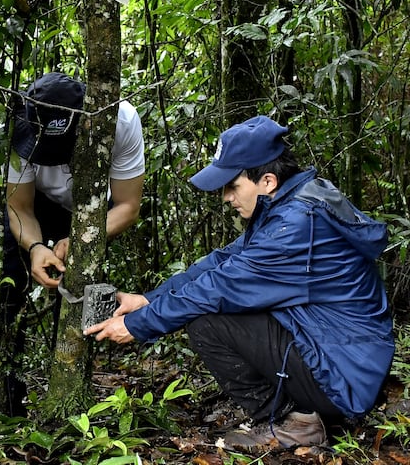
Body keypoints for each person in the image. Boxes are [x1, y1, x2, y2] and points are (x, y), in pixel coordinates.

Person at [85, 115, 394, 450]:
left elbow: (219, 287)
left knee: (206, 320)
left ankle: (295, 422)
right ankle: (303, 412)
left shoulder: (294, 227)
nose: (226, 198)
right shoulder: (290, 207)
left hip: (343, 377)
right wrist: (148, 300)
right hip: (342, 356)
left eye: (233, 186)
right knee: (207, 304)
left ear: (268, 181)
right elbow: (221, 262)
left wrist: (139, 325)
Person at [0, 72, 145, 416]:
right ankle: (4, 401)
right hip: (39, 204)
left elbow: (128, 206)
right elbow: (19, 206)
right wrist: (35, 247)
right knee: (4, 279)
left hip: (95, 211)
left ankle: (73, 391)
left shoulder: (120, 119)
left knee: (80, 291)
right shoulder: (17, 125)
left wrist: (83, 240)